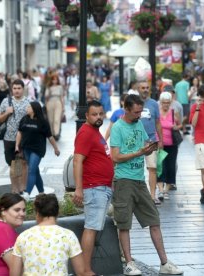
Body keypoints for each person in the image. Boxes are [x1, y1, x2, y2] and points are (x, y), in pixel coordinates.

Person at [110, 94, 183, 275]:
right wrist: (139, 152)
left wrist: (151, 147)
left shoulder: (139, 124)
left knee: (154, 220)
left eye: (140, 112)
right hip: (123, 180)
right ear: (126, 109)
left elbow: (143, 144)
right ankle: (129, 263)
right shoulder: (118, 128)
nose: (139, 115)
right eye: (135, 112)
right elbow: (115, 157)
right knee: (124, 224)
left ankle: (164, 263)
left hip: (139, 180)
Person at [72, 100, 113, 275]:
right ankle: (85, 270)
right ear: (86, 116)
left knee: (94, 228)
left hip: (101, 187)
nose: (98, 117)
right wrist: (79, 188)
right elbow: (77, 160)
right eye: (94, 114)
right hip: (94, 188)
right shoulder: (86, 133)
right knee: (91, 228)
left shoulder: (95, 131)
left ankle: (86, 269)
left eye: (100, 114)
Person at [10, 194, 86, 276]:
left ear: (37, 213)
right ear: (58, 212)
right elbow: (81, 272)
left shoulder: (23, 236)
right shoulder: (68, 235)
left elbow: (14, 273)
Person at [16, 102, 60, 200]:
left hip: (38, 149)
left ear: (34, 109)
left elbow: (50, 137)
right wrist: (17, 146)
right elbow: (19, 132)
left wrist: (56, 148)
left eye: (29, 107)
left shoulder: (42, 122)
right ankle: (41, 192)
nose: (26, 108)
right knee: (35, 171)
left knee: (31, 169)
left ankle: (27, 193)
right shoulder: (24, 119)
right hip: (26, 148)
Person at [0, 79, 31, 194]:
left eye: (19, 88)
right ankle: (15, 188)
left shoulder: (28, 102)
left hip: (24, 138)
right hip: (9, 138)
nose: (16, 91)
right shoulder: (6, 102)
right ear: (12, 89)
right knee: (13, 163)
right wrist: (6, 112)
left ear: (23, 89)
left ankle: (22, 188)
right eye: (14, 88)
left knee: (22, 162)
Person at [138, 80, 164, 205]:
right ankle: (138, 196)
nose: (145, 90)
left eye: (147, 87)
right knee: (136, 169)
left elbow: (158, 123)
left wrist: (161, 140)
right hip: (136, 141)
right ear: (138, 89)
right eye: (143, 87)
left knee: (152, 168)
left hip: (151, 140)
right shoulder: (133, 103)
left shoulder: (154, 104)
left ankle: (152, 196)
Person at [157, 92, 182, 200]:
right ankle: (161, 190)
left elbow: (180, 124)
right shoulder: (157, 113)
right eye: (164, 103)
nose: (166, 105)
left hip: (172, 144)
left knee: (171, 166)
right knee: (160, 167)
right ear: (160, 103)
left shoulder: (173, 113)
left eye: (168, 103)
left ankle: (166, 190)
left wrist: (177, 127)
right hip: (160, 144)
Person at [44, 74, 65, 141]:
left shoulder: (60, 87)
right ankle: (52, 134)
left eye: (56, 79)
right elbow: (46, 97)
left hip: (58, 102)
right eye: (53, 79)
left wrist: (63, 107)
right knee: (50, 120)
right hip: (50, 102)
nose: (54, 81)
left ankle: (56, 133)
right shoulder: (48, 87)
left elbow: (62, 97)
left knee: (57, 119)